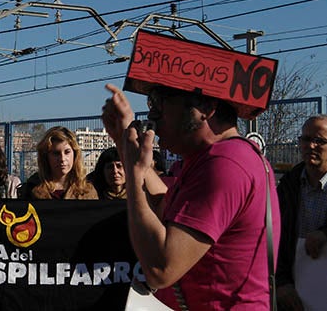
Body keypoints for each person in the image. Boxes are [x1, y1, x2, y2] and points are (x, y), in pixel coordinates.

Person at [102, 83, 280, 310]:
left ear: (205, 107)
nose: (152, 115)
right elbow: (164, 207)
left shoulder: (226, 165)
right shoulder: (215, 158)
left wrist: (135, 176)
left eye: (159, 101)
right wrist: (123, 141)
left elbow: (160, 269)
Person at [276, 115, 327, 310]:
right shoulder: (288, 186)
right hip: (295, 296)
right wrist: (281, 283)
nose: (310, 146)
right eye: (305, 139)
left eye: (319, 141)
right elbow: (273, 239)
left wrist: (324, 232)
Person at [30, 126, 98, 200]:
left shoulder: (87, 191)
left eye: (67, 152)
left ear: (75, 154)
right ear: (46, 156)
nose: (62, 159)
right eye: (56, 153)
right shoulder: (31, 189)